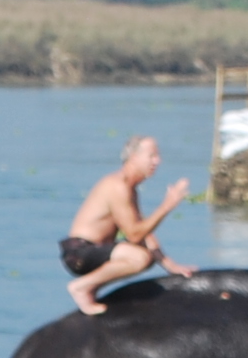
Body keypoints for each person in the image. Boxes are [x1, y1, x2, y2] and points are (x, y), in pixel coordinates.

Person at [61, 135, 194, 316]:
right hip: (80, 253)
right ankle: (81, 288)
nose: (157, 160)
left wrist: (171, 266)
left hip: (98, 249)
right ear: (134, 157)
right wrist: (166, 206)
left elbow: (144, 234)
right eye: (152, 155)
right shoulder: (118, 186)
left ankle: (91, 288)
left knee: (147, 256)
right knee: (140, 258)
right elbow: (134, 235)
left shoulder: (130, 188)